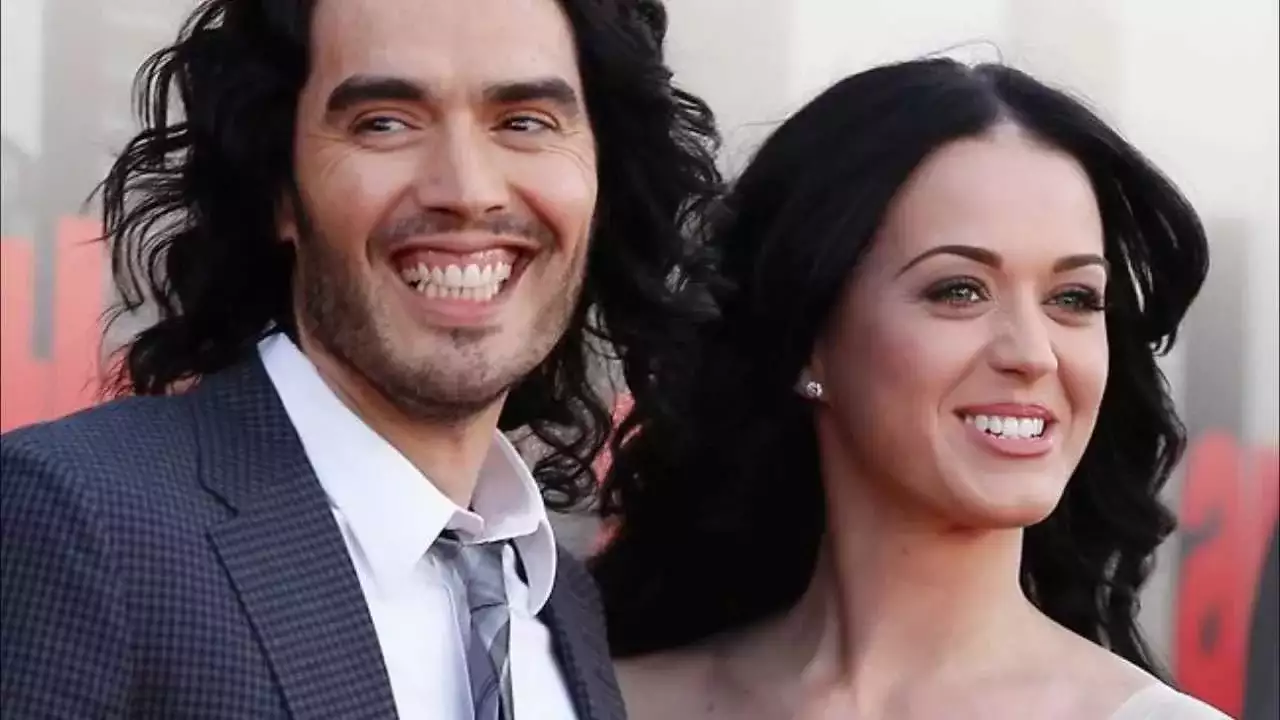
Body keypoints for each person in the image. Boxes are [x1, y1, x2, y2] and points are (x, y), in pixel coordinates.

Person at [0, 0, 720, 717]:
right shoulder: (80, 519)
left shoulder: (561, 601)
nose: (468, 191)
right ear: (280, 190)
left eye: (524, 123)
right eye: (384, 123)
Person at [591, 58, 1231, 719]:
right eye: (960, 291)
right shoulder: (605, 701)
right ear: (807, 337)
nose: (1034, 355)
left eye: (1073, 298)